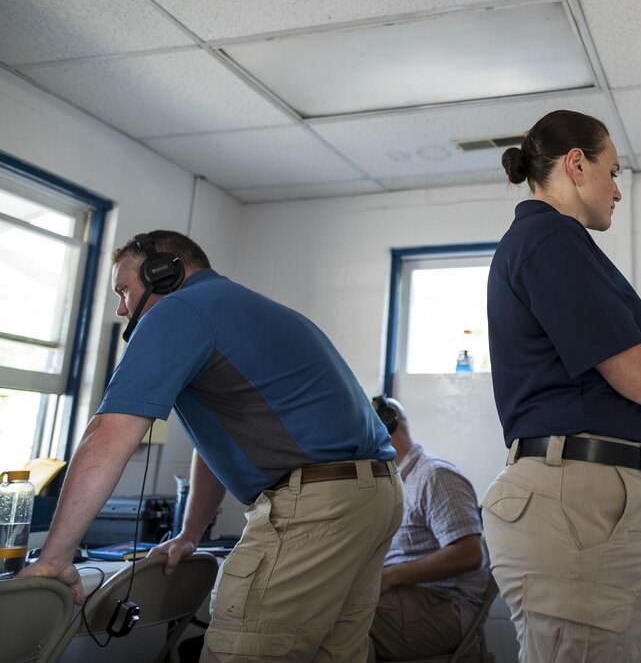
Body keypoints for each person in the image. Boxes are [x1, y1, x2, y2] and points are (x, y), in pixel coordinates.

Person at [18, 230, 403, 663]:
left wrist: (53, 558)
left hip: (318, 507)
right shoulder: (243, 307)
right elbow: (216, 441)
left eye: (125, 290)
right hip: (372, 497)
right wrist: (191, 532)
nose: (122, 309)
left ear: (163, 273)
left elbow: (109, 432)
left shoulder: (179, 310)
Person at [483, 109, 641, 662]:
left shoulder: (558, 245)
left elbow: (630, 386)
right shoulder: (550, 239)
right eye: (613, 172)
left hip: (585, 501)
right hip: (575, 505)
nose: (618, 191)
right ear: (576, 165)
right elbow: (640, 379)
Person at [366, 395, 491, 662]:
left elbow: (469, 554)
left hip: (445, 605)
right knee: (328, 607)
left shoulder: (435, 475)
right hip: (413, 600)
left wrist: (389, 577)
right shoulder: (397, 482)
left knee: (342, 619)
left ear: (383, 426)